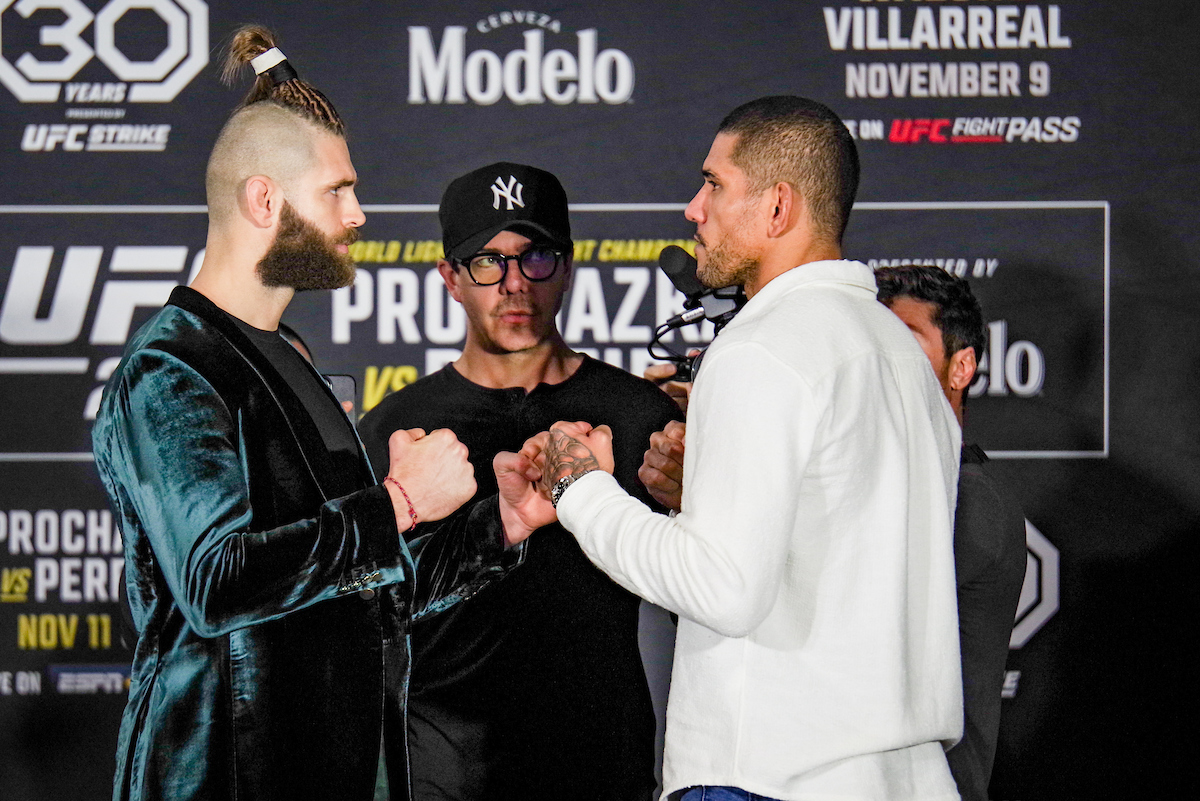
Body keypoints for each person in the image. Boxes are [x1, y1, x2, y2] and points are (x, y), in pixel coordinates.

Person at [91, 28, 542, 801]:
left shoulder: (288, 352)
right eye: (338, 190)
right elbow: (214, 582)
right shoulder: (171, 369)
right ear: (263, 198)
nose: (359, 213)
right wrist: (398, 502)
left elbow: (358, 586)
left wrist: (497, 524)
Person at [500, 96, 965, 801]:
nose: (694, 206)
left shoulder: (761, 349)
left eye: (714, 183)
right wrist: (706, 496)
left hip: (771, 774)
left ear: (778, 207)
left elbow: (723, 586)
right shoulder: (900, 354)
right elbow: (838, 537)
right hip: (907, 777)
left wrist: (581, 487)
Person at [357, 162, 683, 800]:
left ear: (567, 267)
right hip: (444, 773)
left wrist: (686, 504)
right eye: (487, 261)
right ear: (450, 278)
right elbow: (361, 612)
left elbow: (703, 593)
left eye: (535, 257)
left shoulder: (640, 416)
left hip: (602, 770)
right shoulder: (398, 429)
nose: (513, 284)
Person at [876, 265, 1027, 801]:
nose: (882, 359)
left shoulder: (971, 499)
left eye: (904, 341)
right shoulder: (892, 487)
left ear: (961, 367)